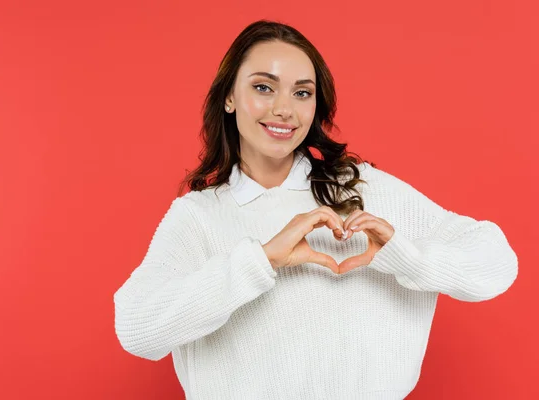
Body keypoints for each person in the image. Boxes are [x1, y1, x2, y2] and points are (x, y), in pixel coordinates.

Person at [113, 19, 518, 400]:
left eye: (302, 92)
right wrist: (261, 260)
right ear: (230, 98)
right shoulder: (198, 216)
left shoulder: (361, 188)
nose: (284, 110)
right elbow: (136, 328)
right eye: (263, 87)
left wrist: (404, 257)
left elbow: (498, 264)